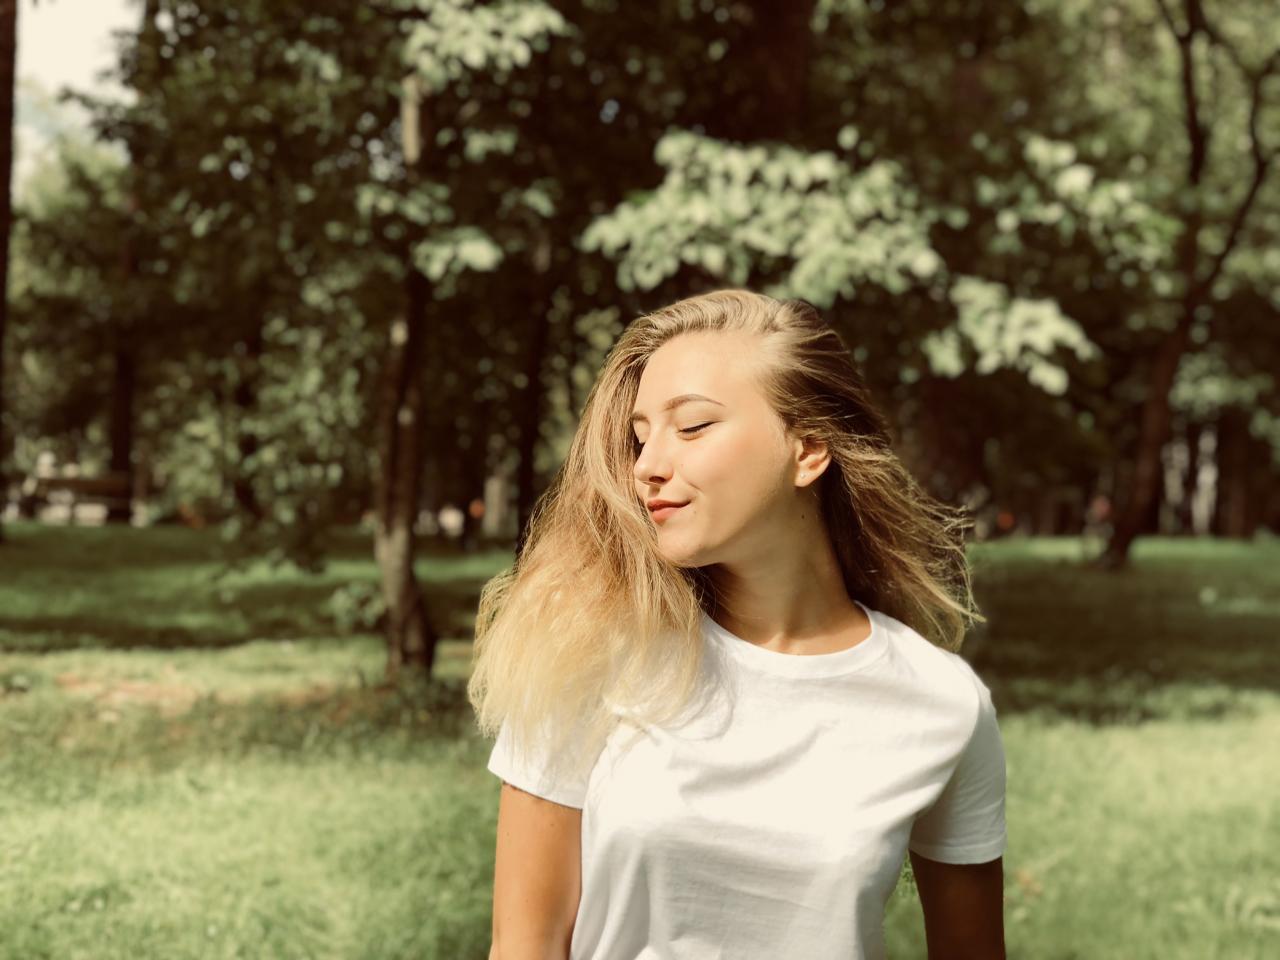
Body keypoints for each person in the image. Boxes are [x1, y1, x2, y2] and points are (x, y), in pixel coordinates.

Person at [469, 290, 1007, 960]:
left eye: (692, 427)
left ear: (809, 448)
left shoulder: (940, 703)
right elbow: (524, 945)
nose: (646, 466)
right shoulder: (586, 653)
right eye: (640, 436)